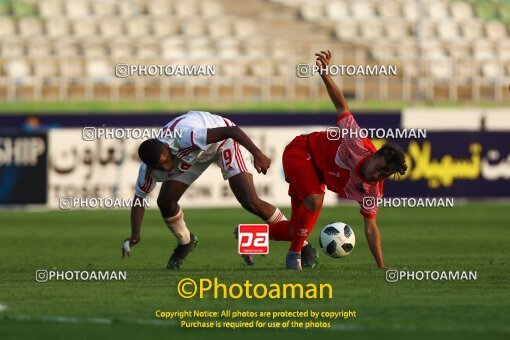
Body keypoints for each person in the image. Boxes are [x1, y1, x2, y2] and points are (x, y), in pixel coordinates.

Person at [269, 50, 407, 270]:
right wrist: (325, 73)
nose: (376, 176)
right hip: (301, 151)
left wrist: (382, 266)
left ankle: (248, 237)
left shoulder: (373, 191)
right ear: (373, 155)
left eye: (383, 175)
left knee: (296, 229)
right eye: (378, 168)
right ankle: (294, 258)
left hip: (317, 175)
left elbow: (370, 228)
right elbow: (342, 106)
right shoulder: (357, 142)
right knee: (315, 201)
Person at [121, 110, 288, 268]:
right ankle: (186, 242)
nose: (167, 167)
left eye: (166, 161)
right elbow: (139, 199)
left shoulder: (185, 138)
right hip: (196, 154)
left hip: (222, 142)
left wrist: (257, 154)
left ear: (166, 147)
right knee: (165, 202)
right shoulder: (148, 170)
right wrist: (135, 234)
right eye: (161, 166)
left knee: (250, 201)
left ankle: (300, 243)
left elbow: (230, 131)